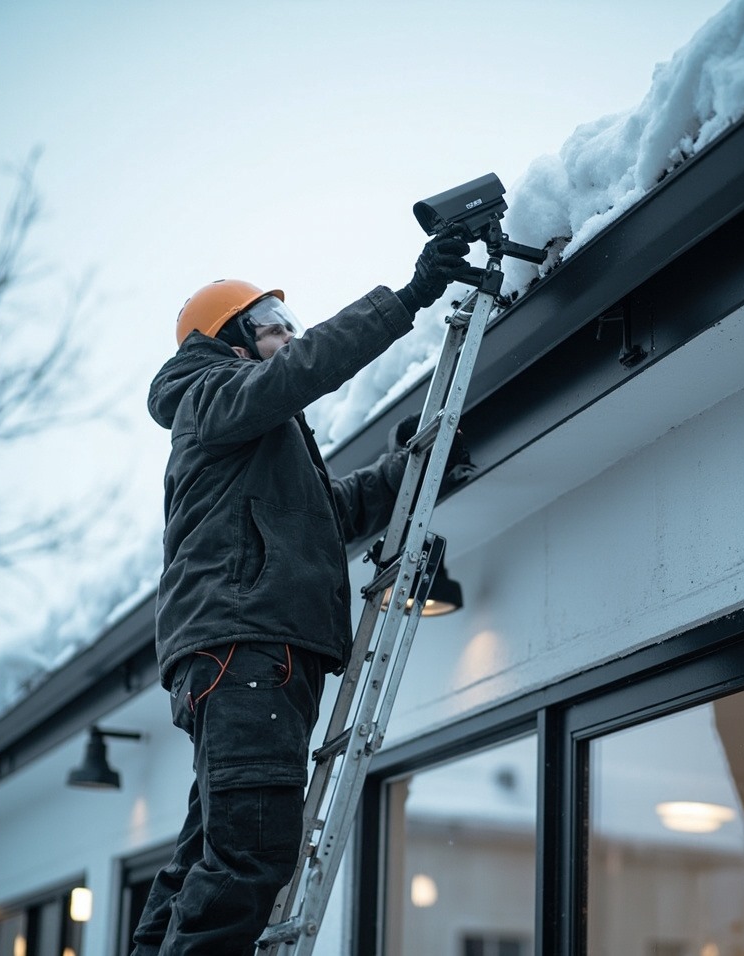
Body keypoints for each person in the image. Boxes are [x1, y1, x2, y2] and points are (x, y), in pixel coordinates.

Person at [131, 230, 470, 956]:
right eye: (272, 326)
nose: (289, 335)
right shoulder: (211, 397)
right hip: (246, 649)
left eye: (290, 321)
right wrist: (409, 298)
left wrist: (406, 468)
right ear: (229, 343)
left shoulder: (251, 432)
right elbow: (300, 373)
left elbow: (330, 519)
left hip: (251, 653)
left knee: (210, 858)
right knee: (250, 858)